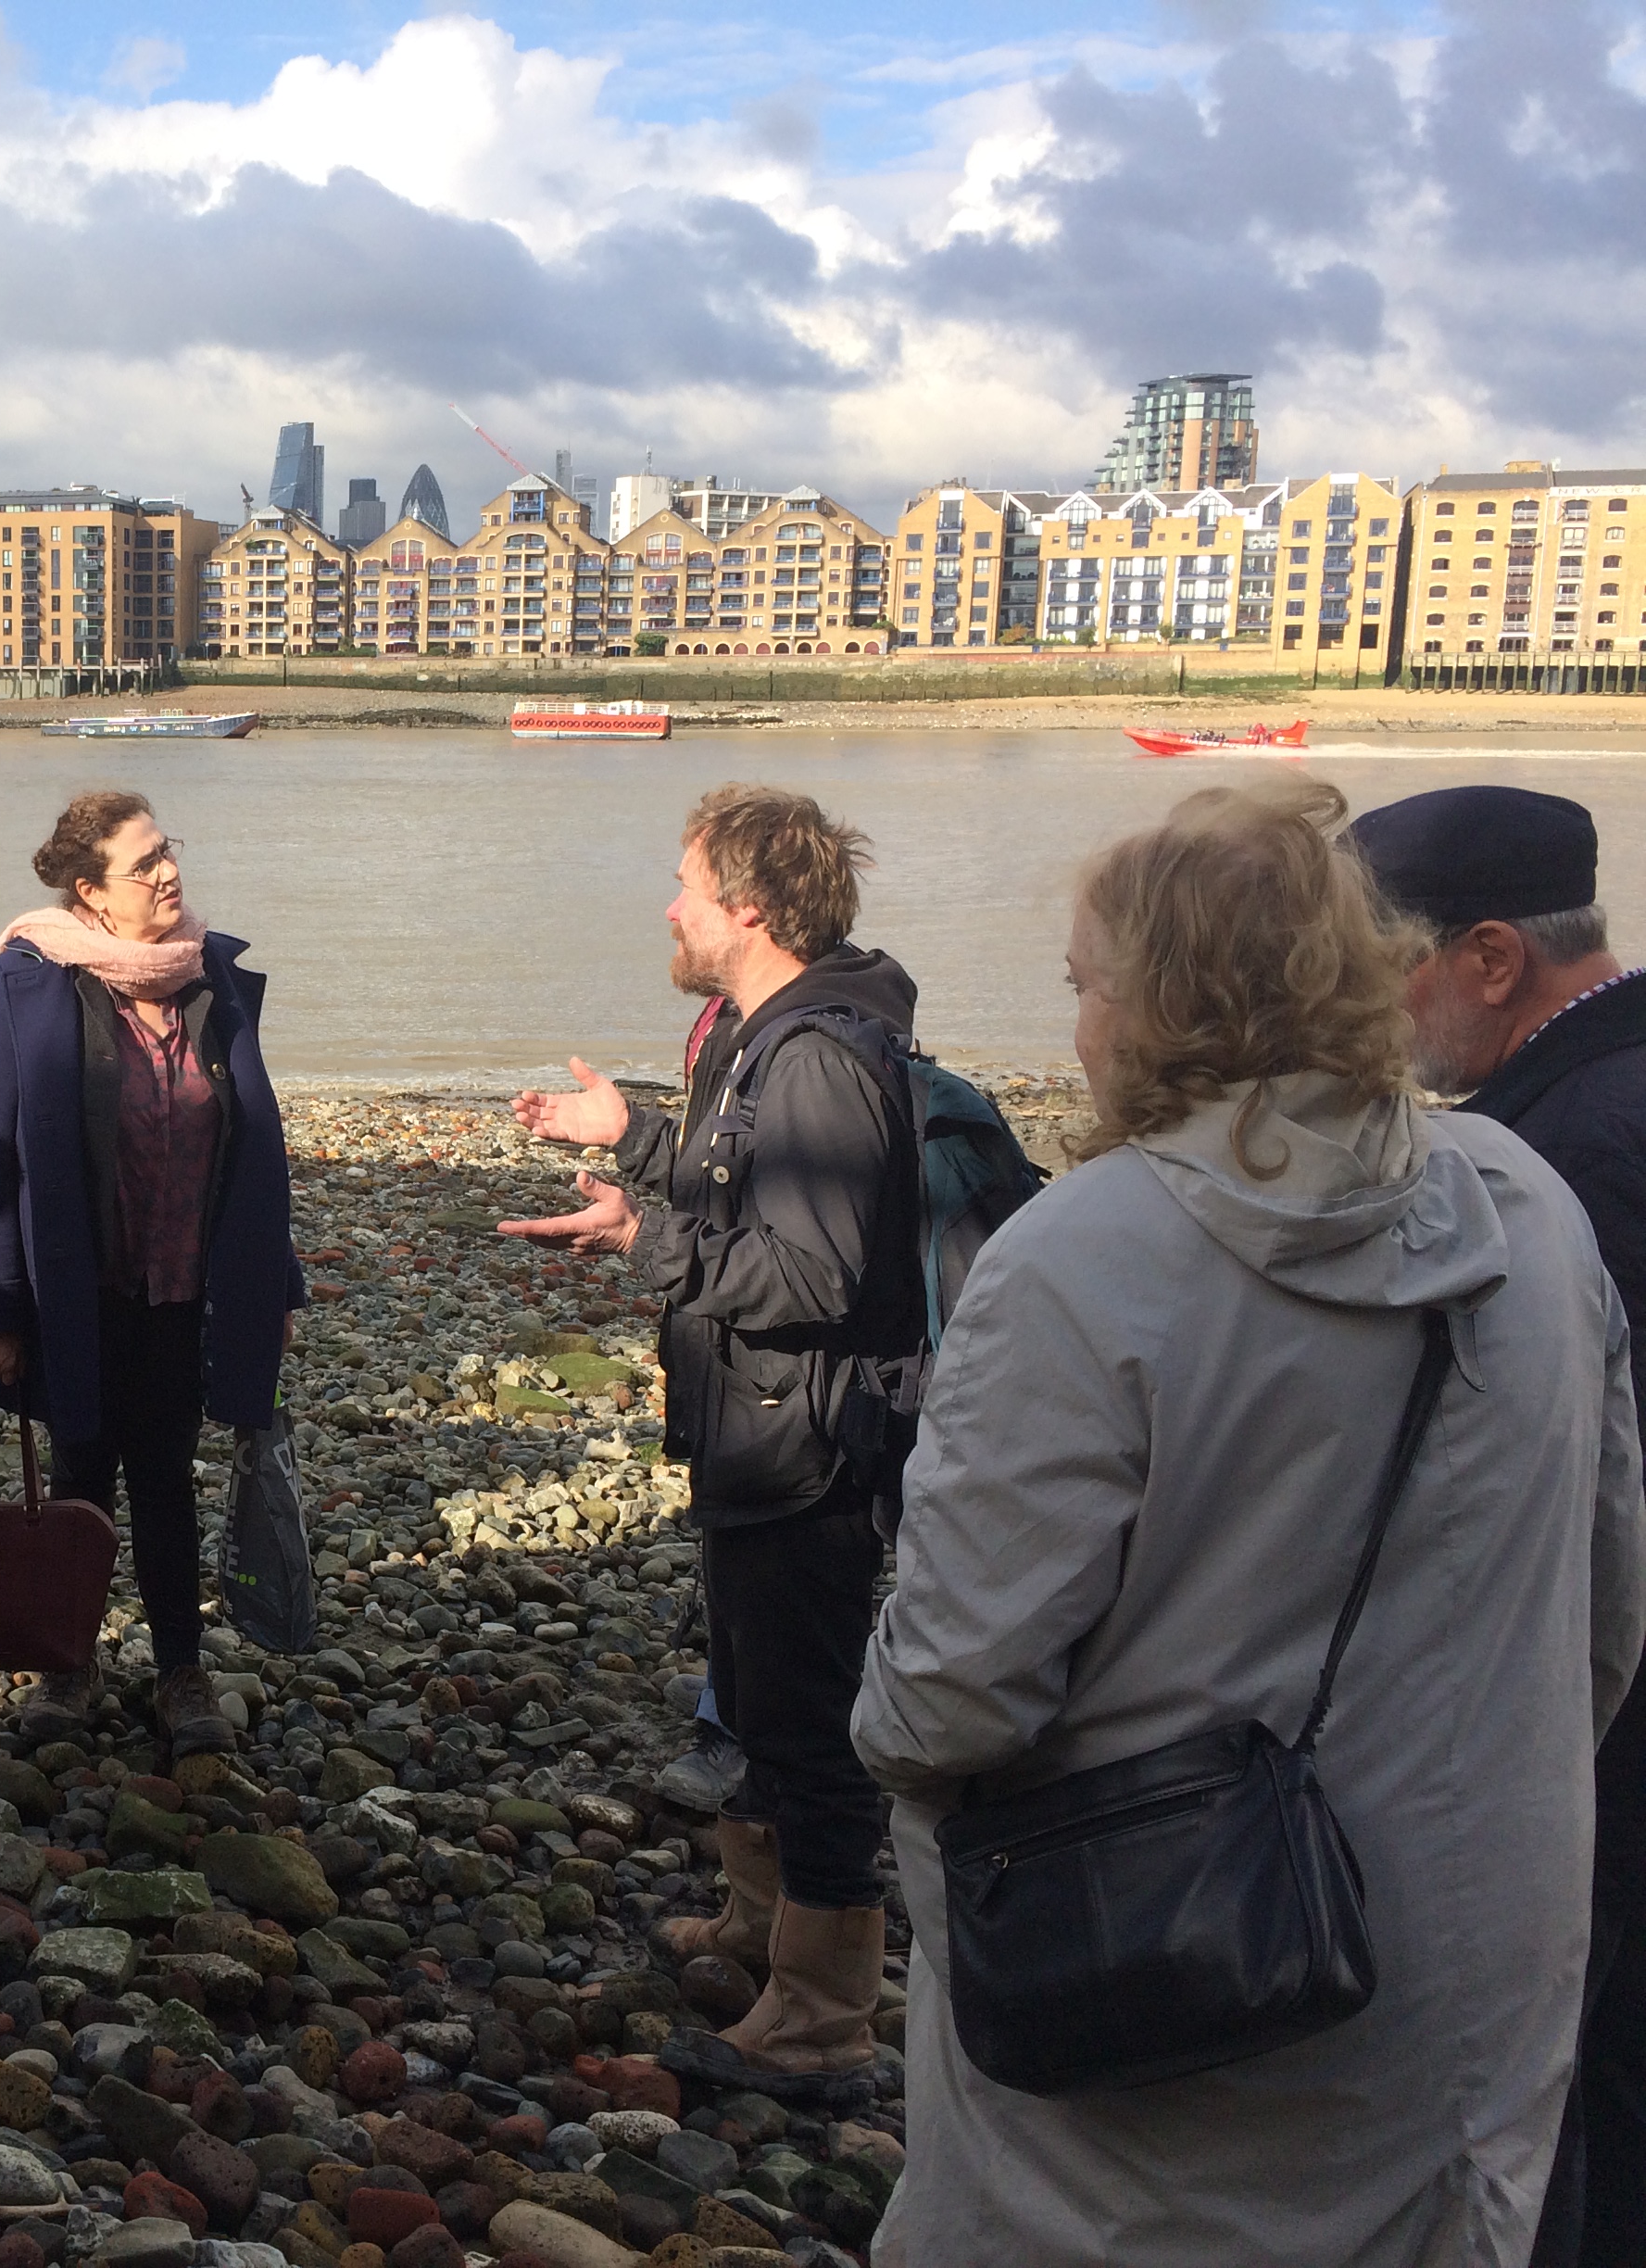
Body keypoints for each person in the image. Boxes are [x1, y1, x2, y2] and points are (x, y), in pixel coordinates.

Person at [854, 777, 1645, 2266]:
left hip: (1161, 1977)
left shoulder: (1080, 1258)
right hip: (1478, 1969)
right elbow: (1605, 1612)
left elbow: (954, 1699)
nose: (1078, 1028)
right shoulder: (1533, 1211)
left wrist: (879, 1733)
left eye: (1087, 988)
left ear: (1165, 1007)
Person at [501, 782, 919, 2081]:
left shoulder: (817, 1055)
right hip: (758, 1435)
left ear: (746, 908)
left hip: (811, 1448)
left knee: (807, 1722)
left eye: (685, 885)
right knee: (751, 1697)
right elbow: (749, 1189)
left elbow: (817, 1276)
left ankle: (824, 2012)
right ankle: (755, 1923)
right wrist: (634, 1141)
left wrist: (644, 1239)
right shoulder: (757, 1031)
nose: (668, 907)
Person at [1347, 785, 1646, 2268]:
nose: (1358, 1013)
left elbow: (1581, 1490)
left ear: (1484, 960)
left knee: (1585, 2100)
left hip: (1607, 1729)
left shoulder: (1573, 1156)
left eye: (1372, 967)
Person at [0, 789, 303, 1758]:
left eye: (167, 851)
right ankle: (70, 1660)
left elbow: (258, 1149)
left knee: (164, 1476)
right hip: (76, 1288)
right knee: (78, 1473)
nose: (167, 872)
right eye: (143, 863)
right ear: (89, 892)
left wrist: (276, 1284)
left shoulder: (212, 977)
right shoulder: (32, 981)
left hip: (183, 1290)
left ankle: (180, 1670)